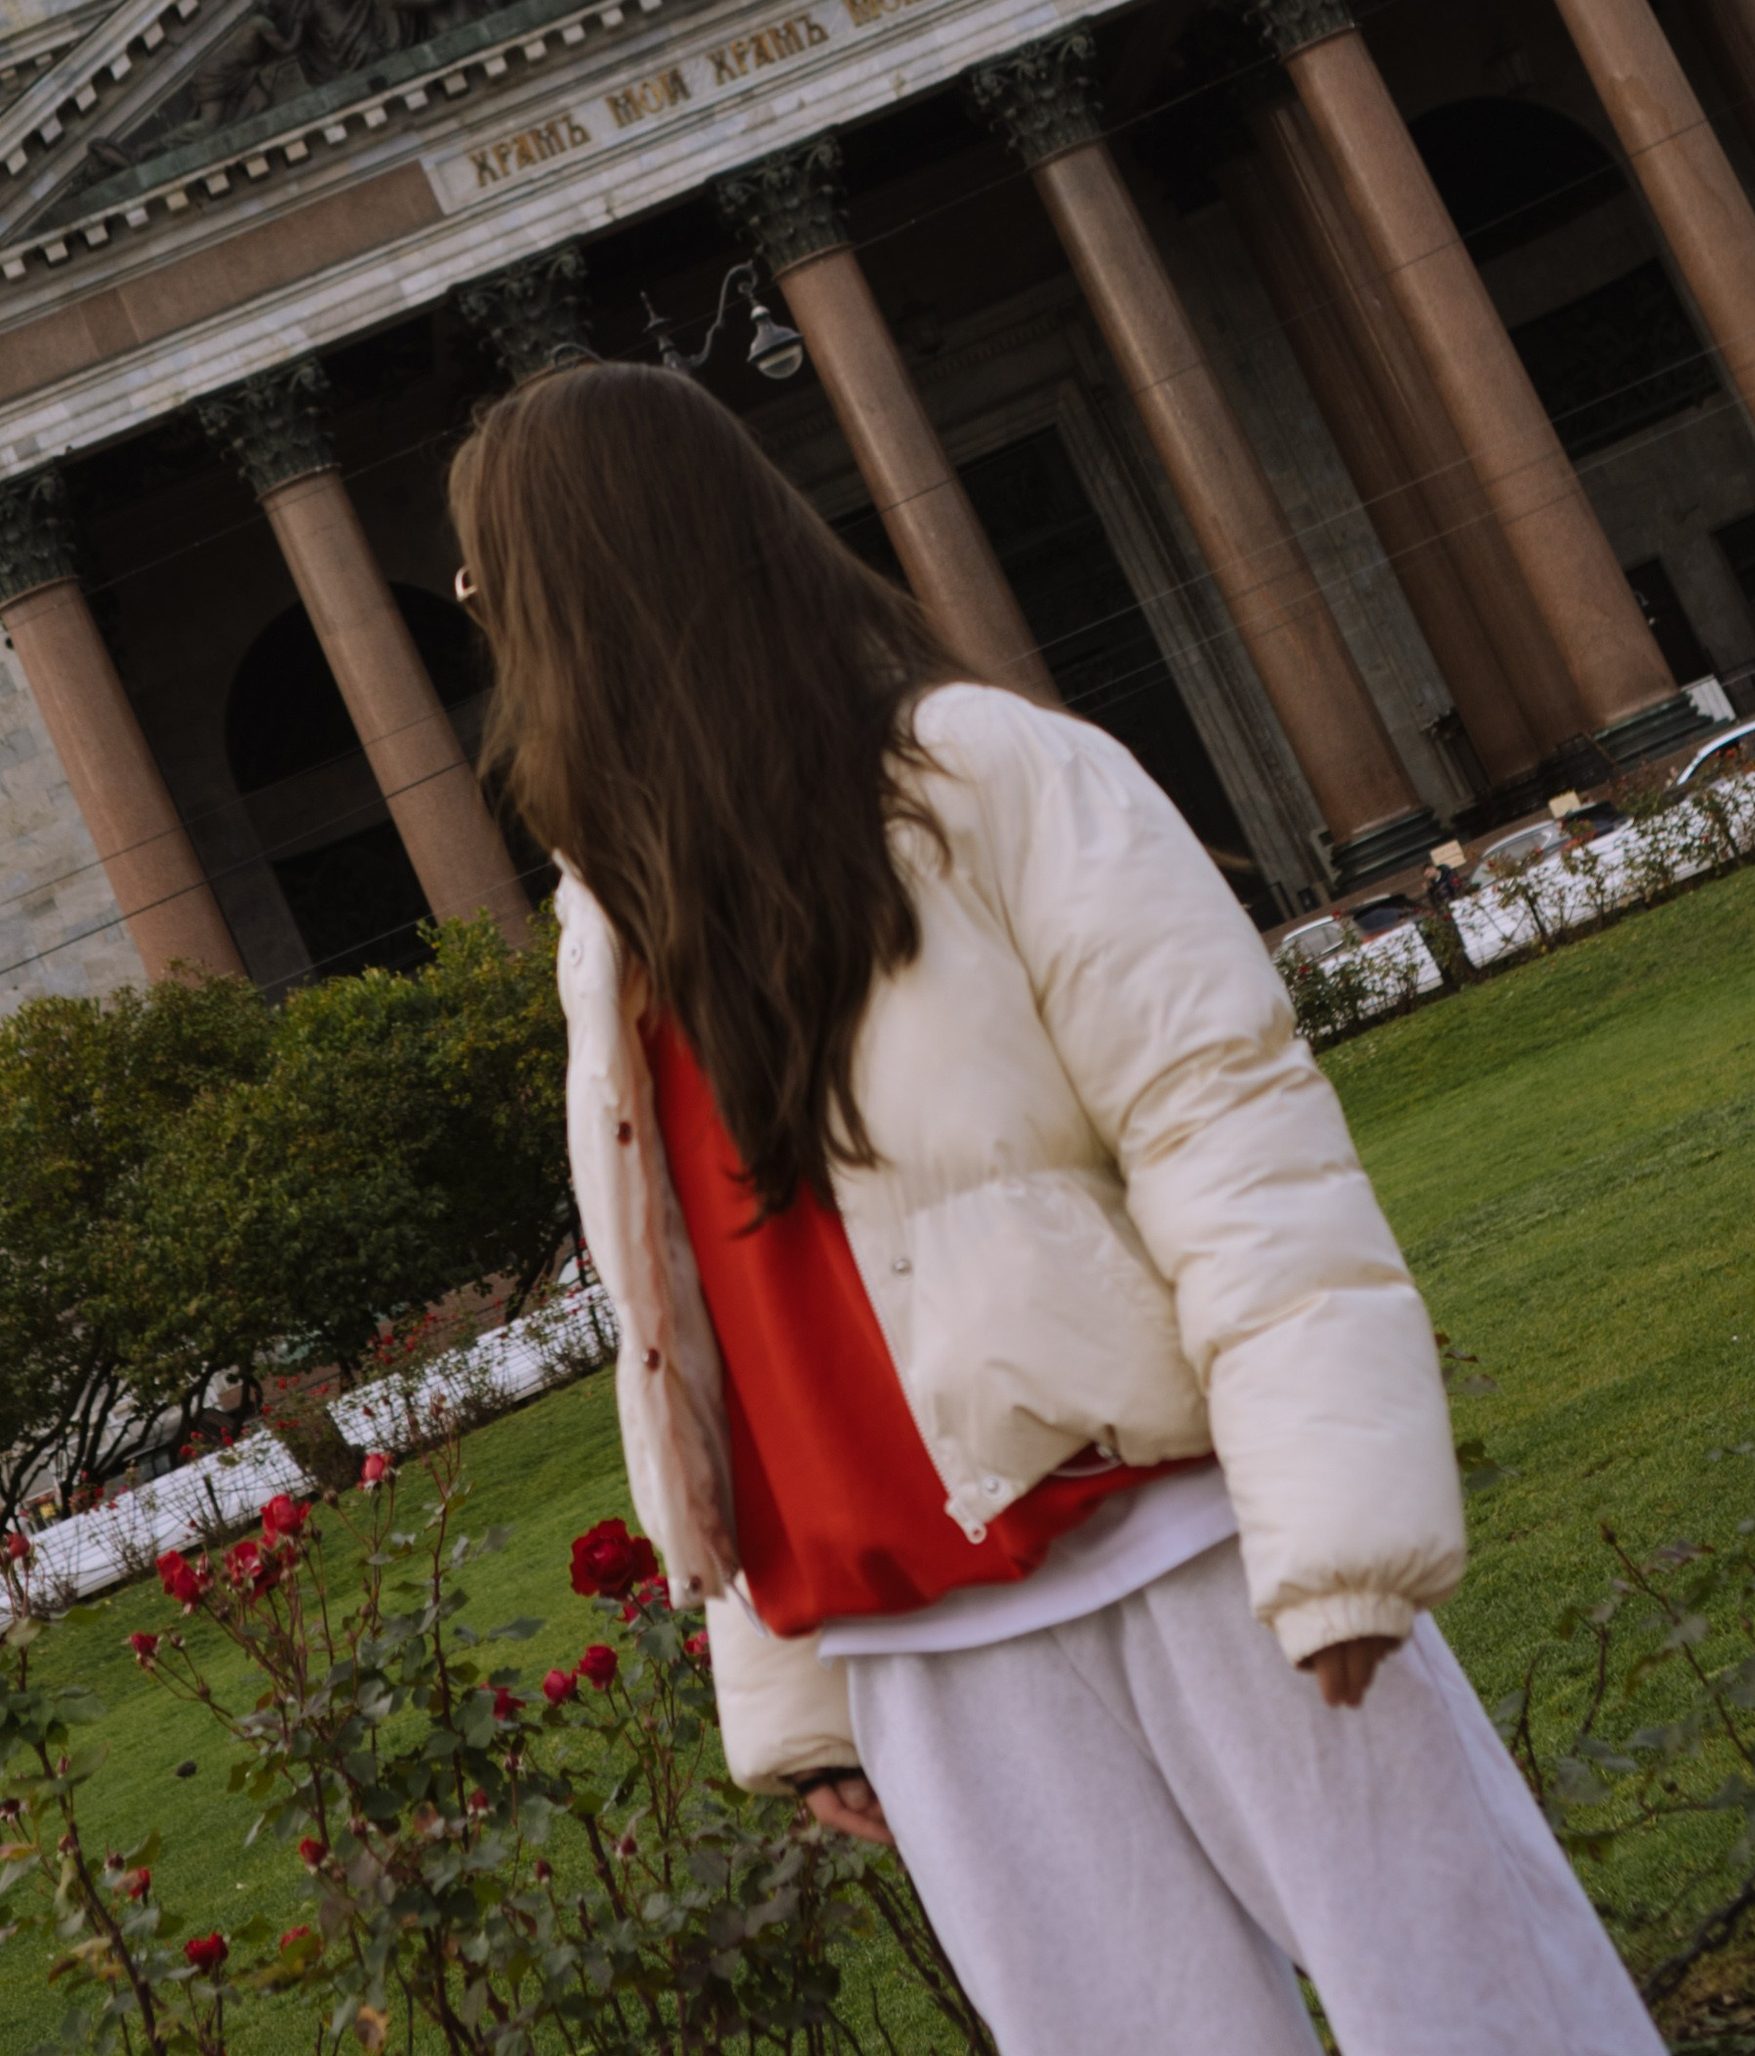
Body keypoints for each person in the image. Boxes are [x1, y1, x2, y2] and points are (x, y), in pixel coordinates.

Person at [445, 363, 1660, 2056]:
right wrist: (796, 1701)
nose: (478, 614)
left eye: (485, 573)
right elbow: (702, 1335)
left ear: (594, 570)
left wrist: (1337, 1543)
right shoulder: (609, 923)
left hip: (1184, 1540)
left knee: (1475, 2005)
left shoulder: (986, 772)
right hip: (928, 1655)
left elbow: (1222, 1128)